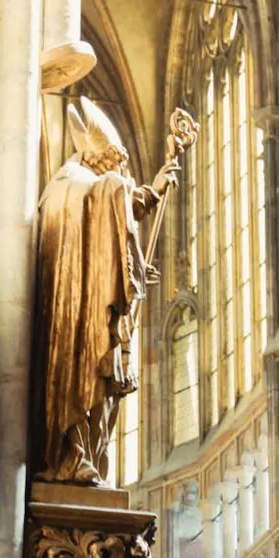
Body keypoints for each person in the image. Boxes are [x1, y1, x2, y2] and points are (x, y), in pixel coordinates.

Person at [34, 98, 177, 483]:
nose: (121, 174)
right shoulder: (74, 186)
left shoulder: (80, 190)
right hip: (76, 322)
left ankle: (85, 454)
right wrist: (151, 192)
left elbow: (103, 238)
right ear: (101, 161)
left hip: (89, 311)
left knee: (101, 394)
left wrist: (125, 269)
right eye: (117, 166)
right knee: (80, 381)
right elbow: (113, 197)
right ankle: (71, 454)